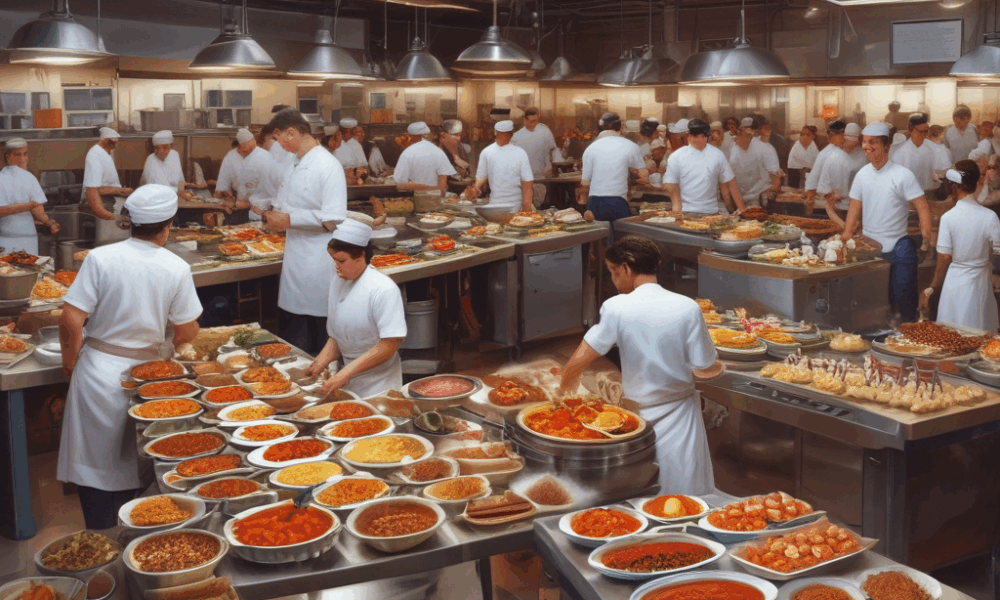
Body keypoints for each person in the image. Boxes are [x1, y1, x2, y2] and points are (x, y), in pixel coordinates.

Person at [57, 184, 202, 529]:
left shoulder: (100, 257)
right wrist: (169, 349)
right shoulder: (175, 267)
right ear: (168, 226)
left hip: (97, 368)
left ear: (131, 223)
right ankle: (134, 530)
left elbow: (71, 318)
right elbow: (188, 329)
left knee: (93, 459)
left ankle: (99, 535)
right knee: (140, 456)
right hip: (148, 373)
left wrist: (70, 361)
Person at [558, 235, 722, 495]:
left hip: (637, 417)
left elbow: (580, 360)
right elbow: (703, 367)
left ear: (626, 268)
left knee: (643, 494)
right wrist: (720, 366)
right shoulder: (688, 307)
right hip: (681, 416)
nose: (613, 279)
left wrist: (565, 388)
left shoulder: (617, 307)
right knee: (686, 495)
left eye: (613, 271)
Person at [263, 109, 347, 354]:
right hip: (295, 262)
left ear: (291, 132)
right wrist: (270, 210)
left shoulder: (327, 165)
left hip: (317, 264)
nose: (279, 145)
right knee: (293, 343)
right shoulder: (294, 163)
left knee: (317, 342)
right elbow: (286, 201)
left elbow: (334, 219)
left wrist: (289, 219)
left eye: (279, 139)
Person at [842, 122, 933, 322]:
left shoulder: (902, 175)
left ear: (886, 146)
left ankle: (908, 331)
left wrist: (926, 236)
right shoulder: (862, 175)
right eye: (865, 142)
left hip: (898, 247)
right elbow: (854, 208)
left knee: (904, 302)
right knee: (871, 306)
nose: (867, 147)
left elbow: (922, 206)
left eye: (873, 142)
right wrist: (847, 235)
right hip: (869, 250)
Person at [309, 216, 407, 397]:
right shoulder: (337, 282)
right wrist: (317, 365)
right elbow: (338, 337)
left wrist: (346, 373)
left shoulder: (383, 289)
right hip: (347, 380)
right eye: (333, 259)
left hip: (379, 384)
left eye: (341, 261)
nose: (336, 266)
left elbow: (390, 344)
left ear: (361, 256)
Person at [923, 162, 1000, 332]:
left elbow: (944, 257)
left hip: (955, 284)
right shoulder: (990, 217)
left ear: (954, 187)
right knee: (982, 338)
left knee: (953, 337)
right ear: (976, 183)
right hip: (981, 285)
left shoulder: (949, 218)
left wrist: (933, 286)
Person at [578, 112, 648, 222]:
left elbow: (585, 183)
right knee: (621, 232)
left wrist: (583, 202)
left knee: (600, 232)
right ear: (621, 127)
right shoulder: (631, 146)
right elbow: (643, 176)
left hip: (594, 202)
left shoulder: (590, 149)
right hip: (617, 202)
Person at [665, 118, 743, 215]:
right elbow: (672, 186)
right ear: (688, 136)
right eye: (695, 136)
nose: (699, 140)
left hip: (710, 212)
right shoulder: (676, 156)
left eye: (702, 136)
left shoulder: (717, 155)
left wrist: (740, 210)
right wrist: (676, 210)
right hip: (686, 211)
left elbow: (729, 184)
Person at [0, 138, 60, 254]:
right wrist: (27, 206)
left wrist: (49, 223)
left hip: (28, 239)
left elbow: (38, 209)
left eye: (25, 154)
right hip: (7, 239)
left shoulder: (29, 178)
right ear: (8, 157)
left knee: (28, 264)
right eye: (18, 155)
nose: (23, 159)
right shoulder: (2, 179)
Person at [214, 128, 281, 223]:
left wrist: (250, 203)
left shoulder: (265, 157)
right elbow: (222, 187)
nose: (254, 146)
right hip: (239, 207)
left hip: (262, 209)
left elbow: (273, 190)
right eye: (248, 145)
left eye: (253, 143)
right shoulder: (230, 157)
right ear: (240, 146)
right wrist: (228, 198)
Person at [82, 127, 133, 245]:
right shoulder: (95, 155)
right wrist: (109, 216)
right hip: (104, 205)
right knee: (108, 244)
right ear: (105, 141)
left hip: (113, 203)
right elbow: (93, 190)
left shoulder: (107, 153)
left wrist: (120, 191)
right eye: (112, 144)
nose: (114, 147)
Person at [470, 121, 534, 214]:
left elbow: (527, 183)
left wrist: (526, 208)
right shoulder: (487, 152)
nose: (502, 137)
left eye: (504, 134)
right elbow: (481, 177)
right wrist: (474, 190)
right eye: (500, 134)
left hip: (515, 206)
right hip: (495, 205)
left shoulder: (520, 153)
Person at [816, 123, 865, 226]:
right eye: (847, 140)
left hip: (859, 209)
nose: (848, 144)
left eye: (852, 141)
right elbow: (824, 190)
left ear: (858, 139)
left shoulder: (864, 157)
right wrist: (832, 196)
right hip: (839, 209)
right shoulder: (833, 157)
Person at [728, 116, 781, 208]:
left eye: (751, 129)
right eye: (745, 128)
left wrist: (767, 195)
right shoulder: (729, 149)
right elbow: (726, 181)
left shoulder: (766, 148)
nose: (748, 132)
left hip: (760, 200)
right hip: (736, 199)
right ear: (738, 130)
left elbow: (776, 181)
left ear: (756, 131)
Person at [393, 122, 456, 196]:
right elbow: (442, 188)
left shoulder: (407, 153)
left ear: (411, 137)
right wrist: (434, 188)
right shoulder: (439, 152)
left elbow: (400, 186)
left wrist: (415, 185)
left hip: (416, 200)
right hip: (435, 200)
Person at [511, 107, 557, 208]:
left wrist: (549, 166)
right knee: (526, 206)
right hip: (524, 179)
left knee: (542, 205)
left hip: (542, 178)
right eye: (531, 121)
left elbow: (551, 150)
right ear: (524, 120)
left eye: (536, 121)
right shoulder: (517, 137)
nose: (534, 124)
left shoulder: (545, 131)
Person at [804, 120, 847, 214]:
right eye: (841, 135)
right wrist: (810, 198)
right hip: (832, 202)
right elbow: (813, 179)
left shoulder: (851, 151)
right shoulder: (825, 154)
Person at [139, 130, 196, 199]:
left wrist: (186, 185)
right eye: (157, 148)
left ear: (170, 147)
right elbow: (157, 188)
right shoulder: (151, 160)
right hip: (155, 198)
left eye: (165, 148)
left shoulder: (174, 155)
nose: (161, 151)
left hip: (175, 196)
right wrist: (179, 190)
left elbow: (180, 181)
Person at [892, 113, 938, 195]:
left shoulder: (931, 148)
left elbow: (934, 174)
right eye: (920, 132)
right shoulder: (900, 154)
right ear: (910, 130)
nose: (924, 135)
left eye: (926, 132)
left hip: (929, 193)